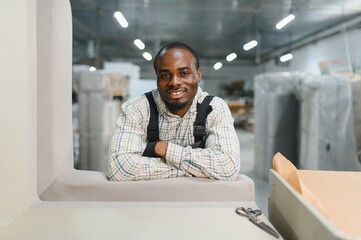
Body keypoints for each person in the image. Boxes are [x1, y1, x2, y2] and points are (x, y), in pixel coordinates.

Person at [107, 42, 240, 181]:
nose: (174, 82)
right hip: (151, 200)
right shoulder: (137, 108)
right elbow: (119, 169)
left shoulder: (214, 108)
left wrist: (162, 148)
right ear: (157, 78)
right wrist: (199, 170)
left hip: (198, 201)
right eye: (165, 75)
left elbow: (227, 167)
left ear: (198, 74)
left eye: (184, 73)